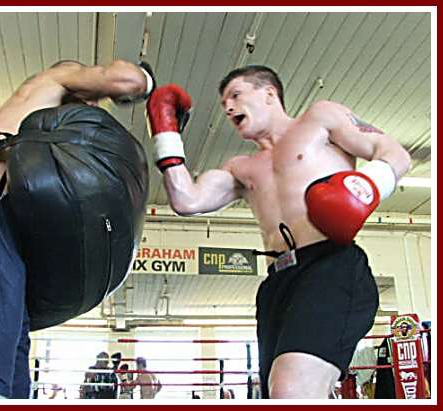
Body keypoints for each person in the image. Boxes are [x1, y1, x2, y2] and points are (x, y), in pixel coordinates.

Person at [145, 65, 411, 398]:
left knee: (290, 390)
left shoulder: (320, 119)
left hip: (330, 267)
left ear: (269, 93)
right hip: (278, 284)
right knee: (280, 394)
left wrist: (365, 186)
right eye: (224, 103)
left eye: (236, 95)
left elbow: (395, 154)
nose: (228, 107)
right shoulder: (240, 167)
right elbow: (187, 200)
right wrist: (166, 134)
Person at [0, 59, 153, 399]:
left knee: (3, 388)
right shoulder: (54, 78)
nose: (93, 108)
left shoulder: (45, 163)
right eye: (92, 101)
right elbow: (127, 80)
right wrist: (150, 84)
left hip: (12, 242)